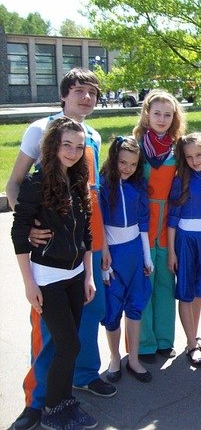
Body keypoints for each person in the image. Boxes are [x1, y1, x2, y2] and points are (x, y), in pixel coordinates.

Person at [6, 68, 116, 430]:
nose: (87, 98)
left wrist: (98, 245)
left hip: (83, 242)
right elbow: (14, 183)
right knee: (50, 332)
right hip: (49, 257)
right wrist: (31, 224)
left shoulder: (92, 135)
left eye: (93, 93)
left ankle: (83, 377)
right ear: (64, 93)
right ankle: (38, 401)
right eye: (79, 90)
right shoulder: (41, 129)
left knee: (88, 313)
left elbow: (88, 194)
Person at [11, 117, 98, 430]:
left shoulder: (78, 182)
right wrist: (29, 284)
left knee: (70, 346)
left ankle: (65, 402)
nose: (73, 152)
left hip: (75, 275)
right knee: (67, 345)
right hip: (47, 278)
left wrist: (88, 276)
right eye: (66, 145)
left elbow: (86, 233)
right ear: (53, 146)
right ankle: (51, 409)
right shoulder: (36, 185)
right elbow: (19, 234)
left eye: (79, 146)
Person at [133, 89, 186, 364]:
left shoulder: (179, 148)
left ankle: (165, 340)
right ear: (147, 114)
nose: (162, 119)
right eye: (157, 113)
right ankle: (144, 343)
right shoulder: (135, 147)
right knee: (144, 282)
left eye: (167, 114)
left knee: (166, 282)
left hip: (169, 224)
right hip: (141, 223)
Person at [99, 136, 153, 383]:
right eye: (123, 162)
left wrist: (147, 256)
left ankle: (133, 359)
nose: (127, 168)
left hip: (134, 252)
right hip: (112, 254)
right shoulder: (103, 186)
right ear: (113, 159)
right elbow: (99, 224)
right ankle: (114, 357)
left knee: (135, 304)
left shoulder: (138, 186)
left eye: (133, 164)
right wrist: (103, 259)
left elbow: (143, 223)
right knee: (112, 307)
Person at [167, 133, 201, 368]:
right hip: (186, 241)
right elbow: (172, 220)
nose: (195, 161)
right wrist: (172, 251)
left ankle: (195, 335)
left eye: (199, 155)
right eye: (189, 157)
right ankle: (190, 344)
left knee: (199, 291)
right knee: (186, 292)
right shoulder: (181, 181)